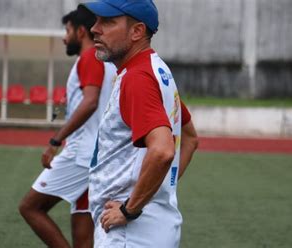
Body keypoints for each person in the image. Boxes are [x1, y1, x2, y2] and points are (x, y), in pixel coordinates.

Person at [81, 0, 199, 247]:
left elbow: (163, 150)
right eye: (97, 20)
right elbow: (189, 137)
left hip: (130, 232)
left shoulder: (138, 78)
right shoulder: (156, 70)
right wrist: (159, 190)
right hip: (149, 225)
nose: (94, 28)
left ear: (137, 32)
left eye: (108, 21)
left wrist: (129, 209)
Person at [19, 7, 116, 248]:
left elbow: (90, 101)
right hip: (100, 157)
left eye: (67, 30)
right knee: (84, 241)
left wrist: (55, 141)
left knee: (30, 207)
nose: (65, 37)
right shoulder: (108, 62)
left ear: (81, 32)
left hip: (82, 155)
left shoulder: (90, 57)